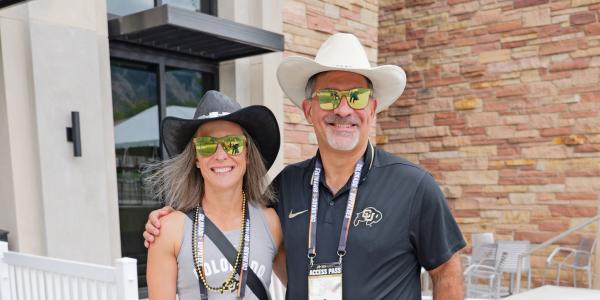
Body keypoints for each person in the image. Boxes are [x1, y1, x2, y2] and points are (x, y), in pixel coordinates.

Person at [145, 33, 466, 299]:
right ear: (309, 109)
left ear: (372, 108)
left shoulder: (413, 186)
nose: (342, 110)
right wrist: (170, 217)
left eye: (355, 97)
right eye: (328, 97)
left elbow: (446, 270)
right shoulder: (286, 186)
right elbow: (229, 204)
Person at [145, 90, 285, 299]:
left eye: (233, 144)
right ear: (196, 158)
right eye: (207, 145)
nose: (220, 155)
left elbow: (303, 288)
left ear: (247, 154)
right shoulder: (168, 231)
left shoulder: (271, 222)